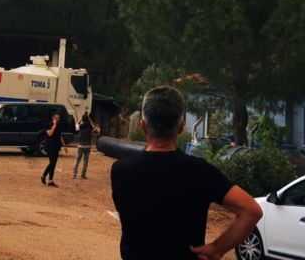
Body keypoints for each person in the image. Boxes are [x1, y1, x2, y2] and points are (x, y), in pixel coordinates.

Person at [111, 86, 262, 260]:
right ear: (182, 127)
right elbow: (251, 211)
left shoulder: (120, 171)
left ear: (143, 126)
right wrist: (216, 249)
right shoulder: (201, 172)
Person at [38, 112, 66, 187]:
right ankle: (44, 175)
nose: (57, 119)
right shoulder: (49, 124)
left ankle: (50, 181)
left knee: (53, 164)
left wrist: (64, 146)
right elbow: (50, 133)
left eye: (58, 118)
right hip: (50, 147)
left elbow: (60, 136)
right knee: (52, 163)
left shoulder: (59, 126)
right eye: (56, 118)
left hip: (56, 147)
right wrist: (54, 125)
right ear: (53, 118)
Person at [71, 111, 99, 179]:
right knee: (85, 161)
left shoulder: (80, 126)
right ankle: (83, 175)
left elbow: (76, 124)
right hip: (88, 146)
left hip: (80, 145)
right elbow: (94, 128)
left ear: (83, 119)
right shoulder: (90, 127)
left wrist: (81, 118)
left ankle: (74, 174)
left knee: (77, 160)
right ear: (88, 119)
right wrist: (89, 118)